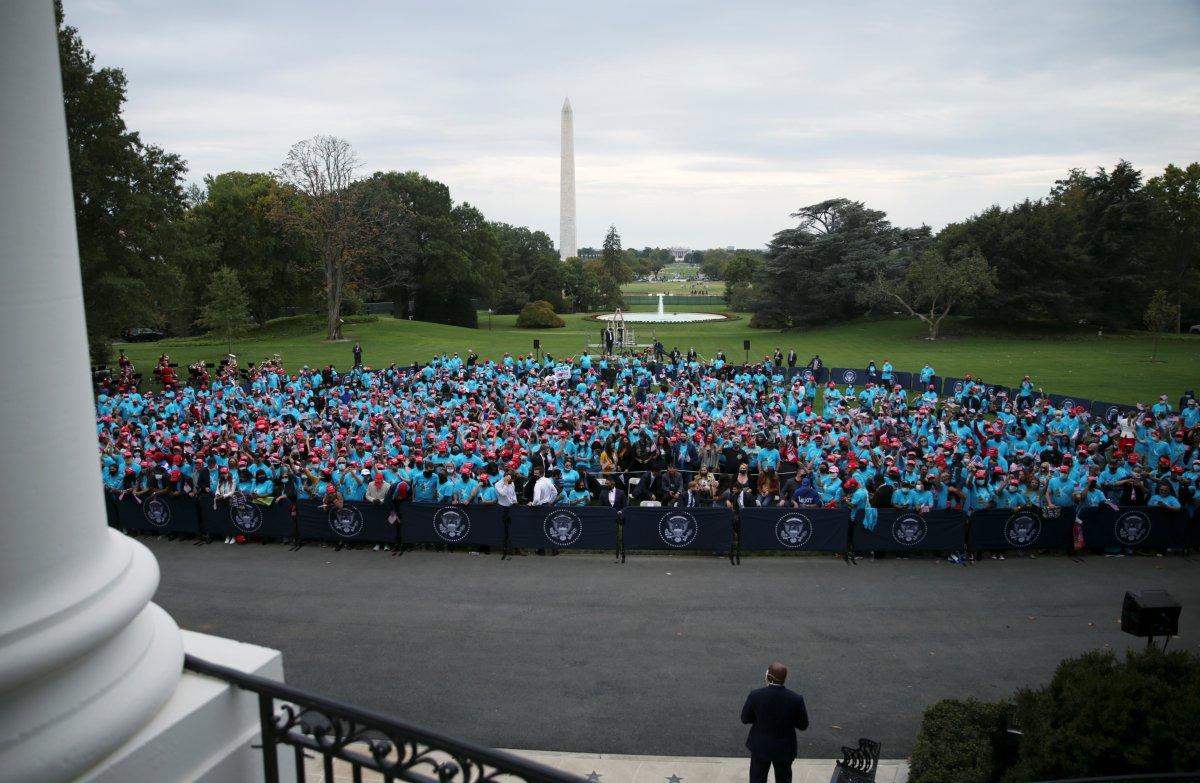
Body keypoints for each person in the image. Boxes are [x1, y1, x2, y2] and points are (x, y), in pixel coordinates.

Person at [741, 661, 809, 783]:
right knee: (784, 779)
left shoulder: (756, 695)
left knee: (757, 778)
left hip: (760, 746)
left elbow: (745, 718)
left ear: (768, 676)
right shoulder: (796, 699)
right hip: (785, 747)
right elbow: (803, 725)